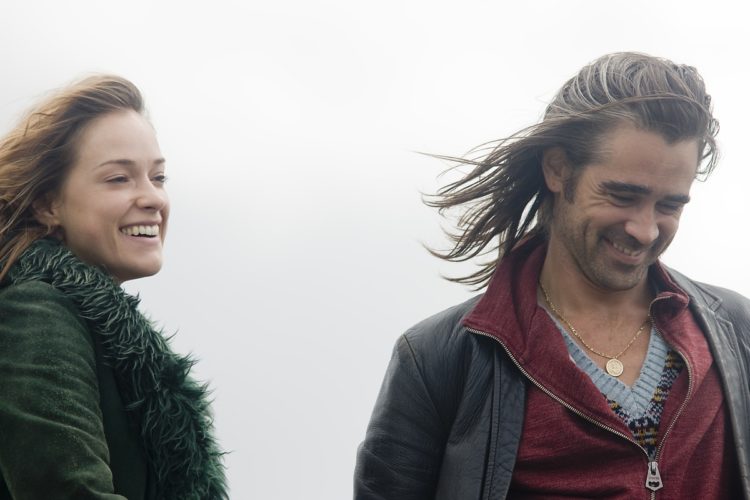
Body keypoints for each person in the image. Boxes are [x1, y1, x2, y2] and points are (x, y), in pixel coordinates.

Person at [354, 52, 750, 499]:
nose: (645, 230)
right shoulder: (436, 361)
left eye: (670, 205)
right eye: (622, 196)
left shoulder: (738, 331)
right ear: (558, 169)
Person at [0, 76, 227, 499]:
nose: (153, 199)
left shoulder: (90, 323)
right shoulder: (35, 311)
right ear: (48, 204)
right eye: (119, 178)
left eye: (158, 177)